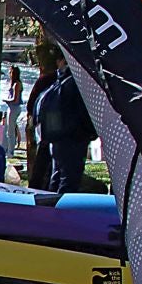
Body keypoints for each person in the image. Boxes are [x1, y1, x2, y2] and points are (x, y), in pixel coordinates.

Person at [33, 47, 95, 194]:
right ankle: (60, 212)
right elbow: (83, 113)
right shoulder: (76, 84)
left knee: (56, 176)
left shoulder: (56, 83)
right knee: (69, 180)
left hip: (55, 138)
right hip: (72, 137)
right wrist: (89, 133)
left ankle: (51, 210)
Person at [2, 64, 24, 157]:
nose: (9, 73)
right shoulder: (13, 83)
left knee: (11, 130)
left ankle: (11, 152)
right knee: (7, 128)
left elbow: (15, 99)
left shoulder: (17, 84)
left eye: (10, 72)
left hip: (14, 107)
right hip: (11, 107)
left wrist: (6, 100)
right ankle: (6, 149)